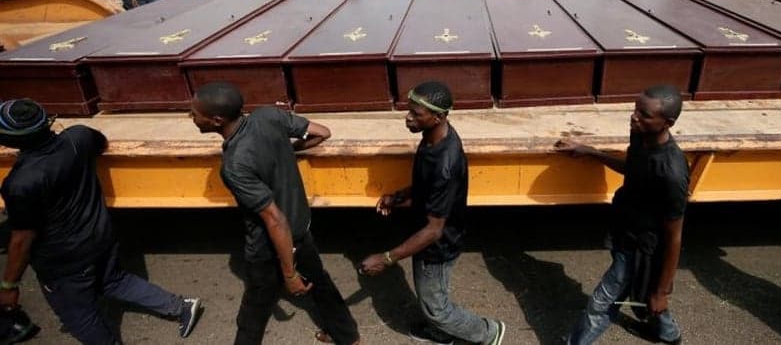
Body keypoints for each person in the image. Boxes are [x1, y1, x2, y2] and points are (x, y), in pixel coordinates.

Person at [0, 99, 201, 344]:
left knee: (80, 317)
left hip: (65, 262)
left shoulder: (20, 183)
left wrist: (9, 284)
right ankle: (181, 306)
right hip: (100, 236)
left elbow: (22, 238)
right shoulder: (78, 138)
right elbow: (100, 142)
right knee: (115, 280)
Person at [189, 83, 360, 345]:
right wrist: (286, 150)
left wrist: (290, 275)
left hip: (269, 247)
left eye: (195, 113)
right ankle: (348, 337)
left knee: (253, 312)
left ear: (216, 120)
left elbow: (274, 219)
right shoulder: (267, 115)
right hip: (301, 228)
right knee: (321, 285)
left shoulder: (235, 164)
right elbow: (322, 133)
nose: (191, 117)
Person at [359, 81, 506, 345]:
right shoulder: (434, 136)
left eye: (416, 114)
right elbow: (427, 186)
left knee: (436, 309)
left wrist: (386, 258)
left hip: (437, 246)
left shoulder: (445, 165)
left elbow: (434, 230)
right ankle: (441, 333)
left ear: (438, 117)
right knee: (432, 297)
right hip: (427, 236)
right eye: (409, 110)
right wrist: (400, 196)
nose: (408, 118)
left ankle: (488, 332)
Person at [557, 85, 688, 345]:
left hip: (641, 247)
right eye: (636, 109)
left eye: (645, 114)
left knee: (600, 304)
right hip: (624, 226)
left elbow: (674, 237)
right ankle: (668, 333)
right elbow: (633, 169)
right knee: (643, 292)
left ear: (668, 123)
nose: (635, 117)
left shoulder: (671, 172)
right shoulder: (641, 135)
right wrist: (591, 152)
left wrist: (662, 291)